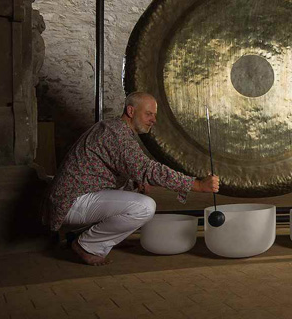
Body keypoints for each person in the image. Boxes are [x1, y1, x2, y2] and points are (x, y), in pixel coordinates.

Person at [45, 92, 219, 265]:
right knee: (144, 206)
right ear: (130, 111)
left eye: (154, 115)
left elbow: (119, 166)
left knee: (134, 188)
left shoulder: (115, 128)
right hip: (71, 201)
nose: (153, 120)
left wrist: (135, 181)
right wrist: (195, 184)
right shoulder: (117, 134)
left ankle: (93, 236)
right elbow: (147, 169)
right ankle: (88, 246)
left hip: (79, 196)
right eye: (148, 114)